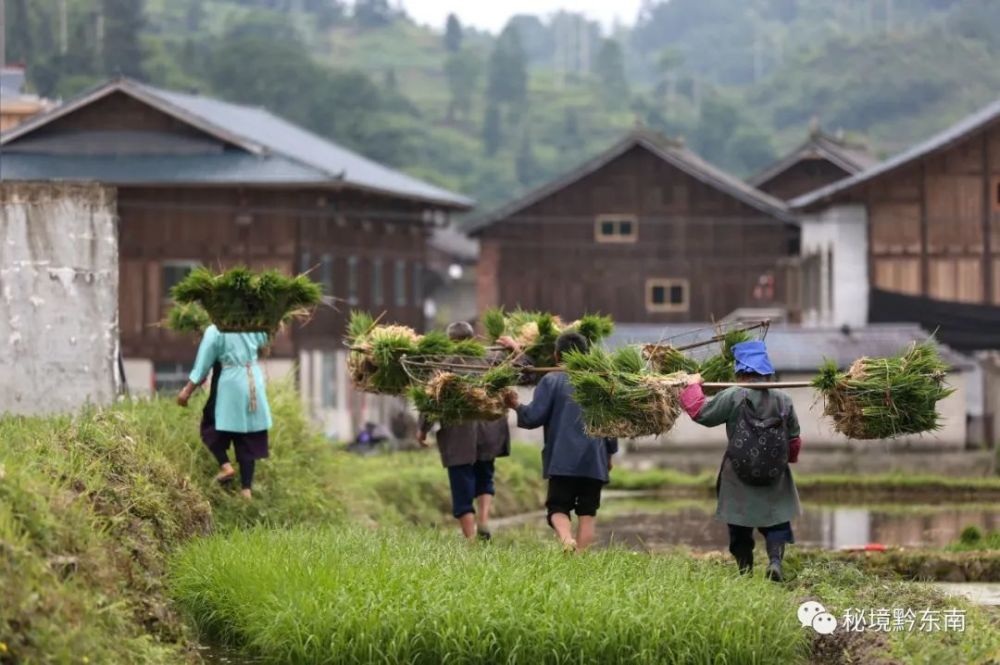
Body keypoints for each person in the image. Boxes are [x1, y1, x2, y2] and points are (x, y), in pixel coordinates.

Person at [679, 340, 802, 581]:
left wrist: (692, 385)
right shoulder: (783, 399)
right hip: (774, 474)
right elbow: (794, 439)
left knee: (739, 524)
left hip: (738, 473)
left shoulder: (733, 395)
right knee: (776, 521)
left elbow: (700, 412)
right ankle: (775, 561)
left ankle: (744, 572)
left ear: (739, 370)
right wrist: (785, 462)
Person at [502, 331, 617, 553]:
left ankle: (566, 540)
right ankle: (580, 561)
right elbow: (612, 425)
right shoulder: (601, 381)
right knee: (587, 513)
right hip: (595, 460)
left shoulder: (552, 380)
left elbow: (534, 417)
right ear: (586, 355)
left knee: (557, 507)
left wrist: (515, 405)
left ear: (556, 355)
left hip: (562, 459)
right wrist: (609, 455)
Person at [417, 321, 511, 541]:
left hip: (458, 435)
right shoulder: (491, 358)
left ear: (451, 341)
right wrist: (514, 348)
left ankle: (471, 541)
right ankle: (484, 519)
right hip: (489, 431)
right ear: (472, 338)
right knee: (485, 478)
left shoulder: (444, 365)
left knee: (461, 488)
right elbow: (522, 367)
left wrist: (422, 430)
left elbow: (430, 402)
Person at [177, 324, 272, 500]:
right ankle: (246, 491)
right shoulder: (253, 326)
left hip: (231, 383)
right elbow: (265, 338)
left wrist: (186, 391)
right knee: (246, 436)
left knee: (211, 426)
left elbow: (203, 364)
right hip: (253, 382)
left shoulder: (216, 330)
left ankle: (226, 466)